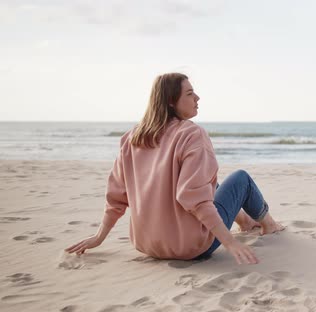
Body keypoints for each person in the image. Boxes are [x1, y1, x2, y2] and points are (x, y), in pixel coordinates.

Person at [65, 73, 284, 265]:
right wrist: (230, 242)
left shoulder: (131, 138)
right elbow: (193, 198)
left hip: (147, 245)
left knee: (208, 182)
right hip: (192, 247)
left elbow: (116, 197)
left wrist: (99, 237)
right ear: (171, 101)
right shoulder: (192, 134)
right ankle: (270, 225)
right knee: (240, 179)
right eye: (189, 93)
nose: (197, 98)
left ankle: (245, 222)